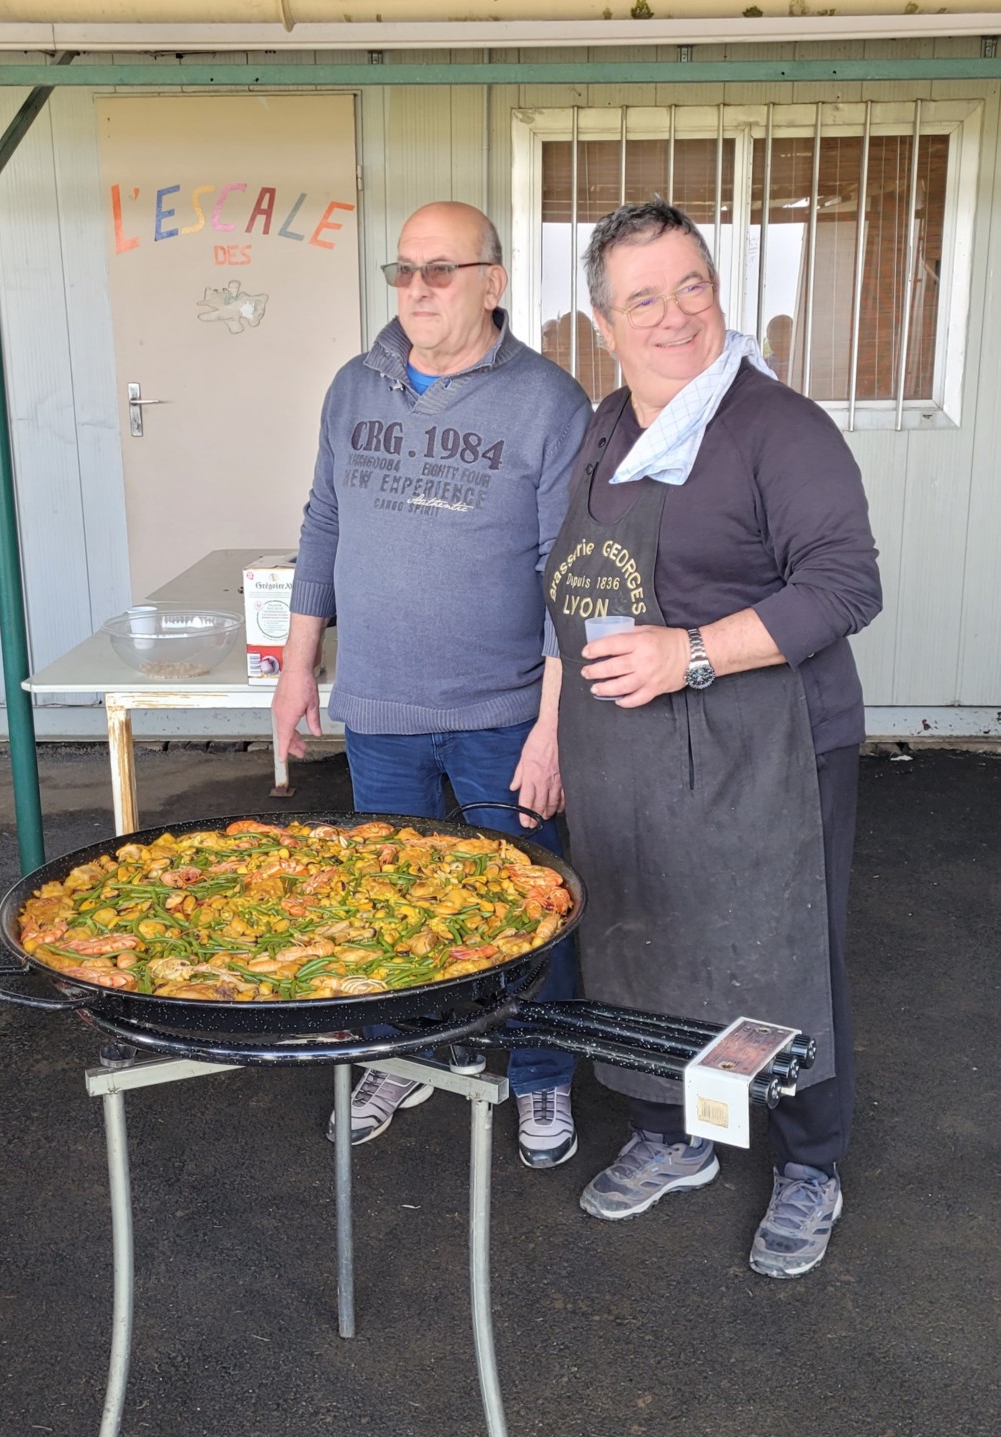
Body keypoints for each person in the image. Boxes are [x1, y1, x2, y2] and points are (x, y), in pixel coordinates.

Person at [542, 199, 882, 1277]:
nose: (675, 314)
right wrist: (551, 732)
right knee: (647, 940)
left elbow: (845, 585)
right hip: (628, 755)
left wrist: (687, 654)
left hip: (766, 748)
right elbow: (575, 593)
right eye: (643, 298)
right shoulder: (608, 426)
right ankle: (675, 1132)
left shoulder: (778, 427)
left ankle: (809, 1160)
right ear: (605, 324)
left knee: (780, 950)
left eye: (691, 284)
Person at [272, 200, 592, 1168]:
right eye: (405, 270)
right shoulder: (354, 386)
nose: (418, 289)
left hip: (502, 713)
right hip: (380, 706)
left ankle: (539, 1072)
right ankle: (403, 1053)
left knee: (526, 904)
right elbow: (323, 522)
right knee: (387, 899)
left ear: (492, 283)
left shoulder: (548, 402)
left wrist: (552, 731)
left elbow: (568, 576)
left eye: (441, 270)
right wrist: (296, 666)